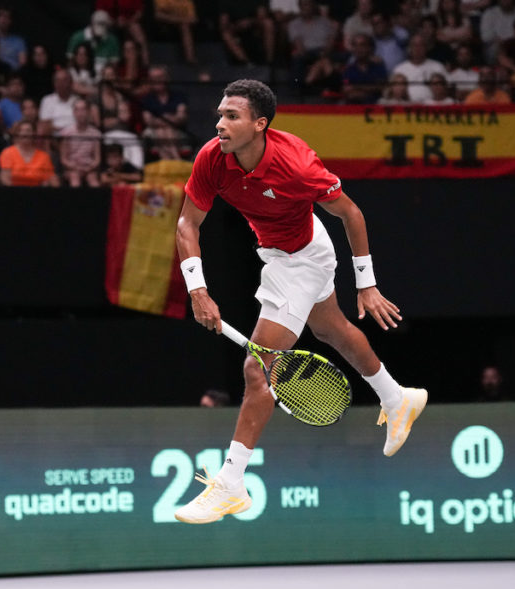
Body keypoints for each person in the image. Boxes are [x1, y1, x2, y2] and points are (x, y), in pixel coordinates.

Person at [172, 79, 427, 524]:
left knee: (259, 367)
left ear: (260, 123)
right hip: (277, 251)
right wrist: (197, 289)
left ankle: (231, 484)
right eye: (219, 115)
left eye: (232, 117)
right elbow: (187, 225)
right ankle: (396, 396)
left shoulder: (297, 164)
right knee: (331, 330)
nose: (220, 125)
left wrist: (366, 284)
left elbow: (350, 213)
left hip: (303, 259)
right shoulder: (213, 158)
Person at [0, 120, 58, 187]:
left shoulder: (44, 156)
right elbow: (5, 178)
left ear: (33, 133)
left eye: (28, 130)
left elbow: (52, 179)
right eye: (21, 131)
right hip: (13, 193)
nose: (25, 133)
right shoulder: (7, 153)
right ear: (17, 134)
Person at [58, 99, 102, 188]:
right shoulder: (66, 132)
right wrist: (75, 167)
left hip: (89, 168)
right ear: (73, 113)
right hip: (72, 168)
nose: (80, 113)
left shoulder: (96, 134)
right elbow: (64, 159)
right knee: (75, 178)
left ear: (88, 112)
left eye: (83, 109)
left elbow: (97, 159)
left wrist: (88, 168)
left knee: (93, 181)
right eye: (77, 110)